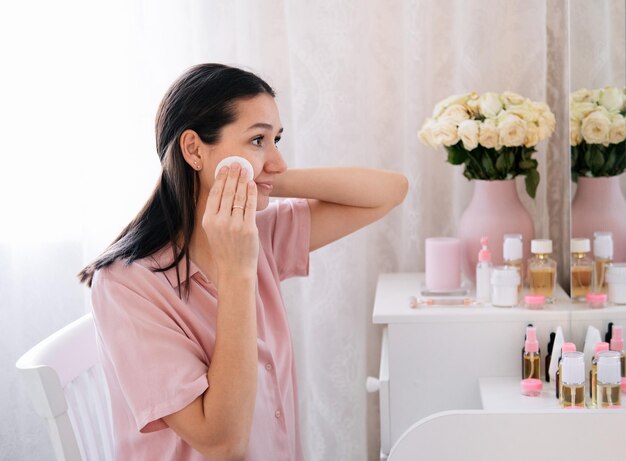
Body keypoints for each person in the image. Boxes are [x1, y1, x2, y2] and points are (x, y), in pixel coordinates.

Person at [79, 63, 408, 461]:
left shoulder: (259, 234)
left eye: (276, 140)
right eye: (257, 140)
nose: (279, 159)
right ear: (194, 150)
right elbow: (223, 444)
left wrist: (263, 174)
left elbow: (390, 191)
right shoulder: (124, 285)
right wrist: (237, 271)